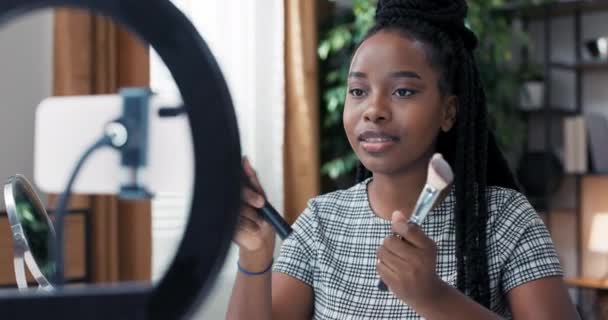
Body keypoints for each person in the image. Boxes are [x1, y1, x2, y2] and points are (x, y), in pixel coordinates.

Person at [227, 0, 578, 319]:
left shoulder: (506, 220)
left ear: (448, 111)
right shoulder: (321, 222)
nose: (374, 110)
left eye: (403, 91)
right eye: (358, 91)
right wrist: (255, 257)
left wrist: (434, 297)